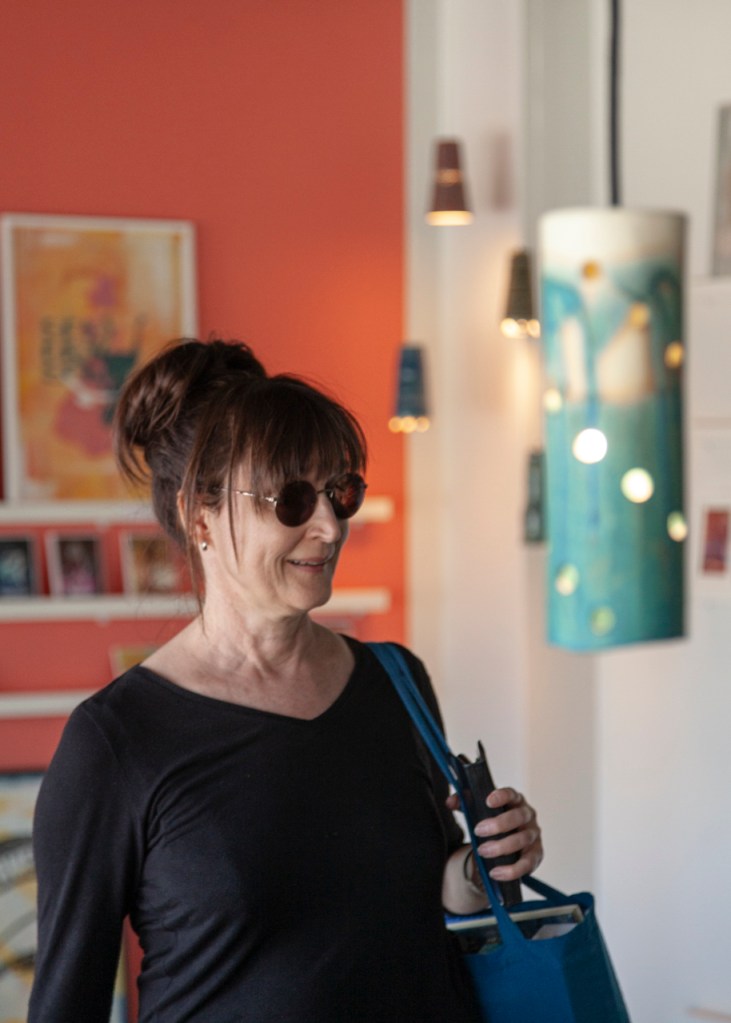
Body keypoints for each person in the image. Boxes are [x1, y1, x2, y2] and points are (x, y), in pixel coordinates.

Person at [29, 339, 543, 1023]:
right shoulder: (116, 742)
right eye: (292, 500)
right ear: (200, 515)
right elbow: (67, 1003)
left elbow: (427, 897)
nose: (329, 526)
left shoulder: (396, 680)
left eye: (341, 492)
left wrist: (483, 866)